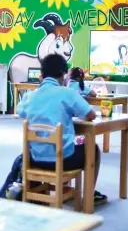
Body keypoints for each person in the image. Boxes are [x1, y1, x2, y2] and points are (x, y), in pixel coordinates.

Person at [17, 54, 107, 206]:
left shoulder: (29, 96)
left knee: (58, 147)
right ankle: (89, 197)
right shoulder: (67, 93)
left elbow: (21, 112)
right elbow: (90, 115)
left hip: (34, 159)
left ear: (42, 74)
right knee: (93, 149)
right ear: (63, 74)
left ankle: (41, 194)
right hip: (64, 161)